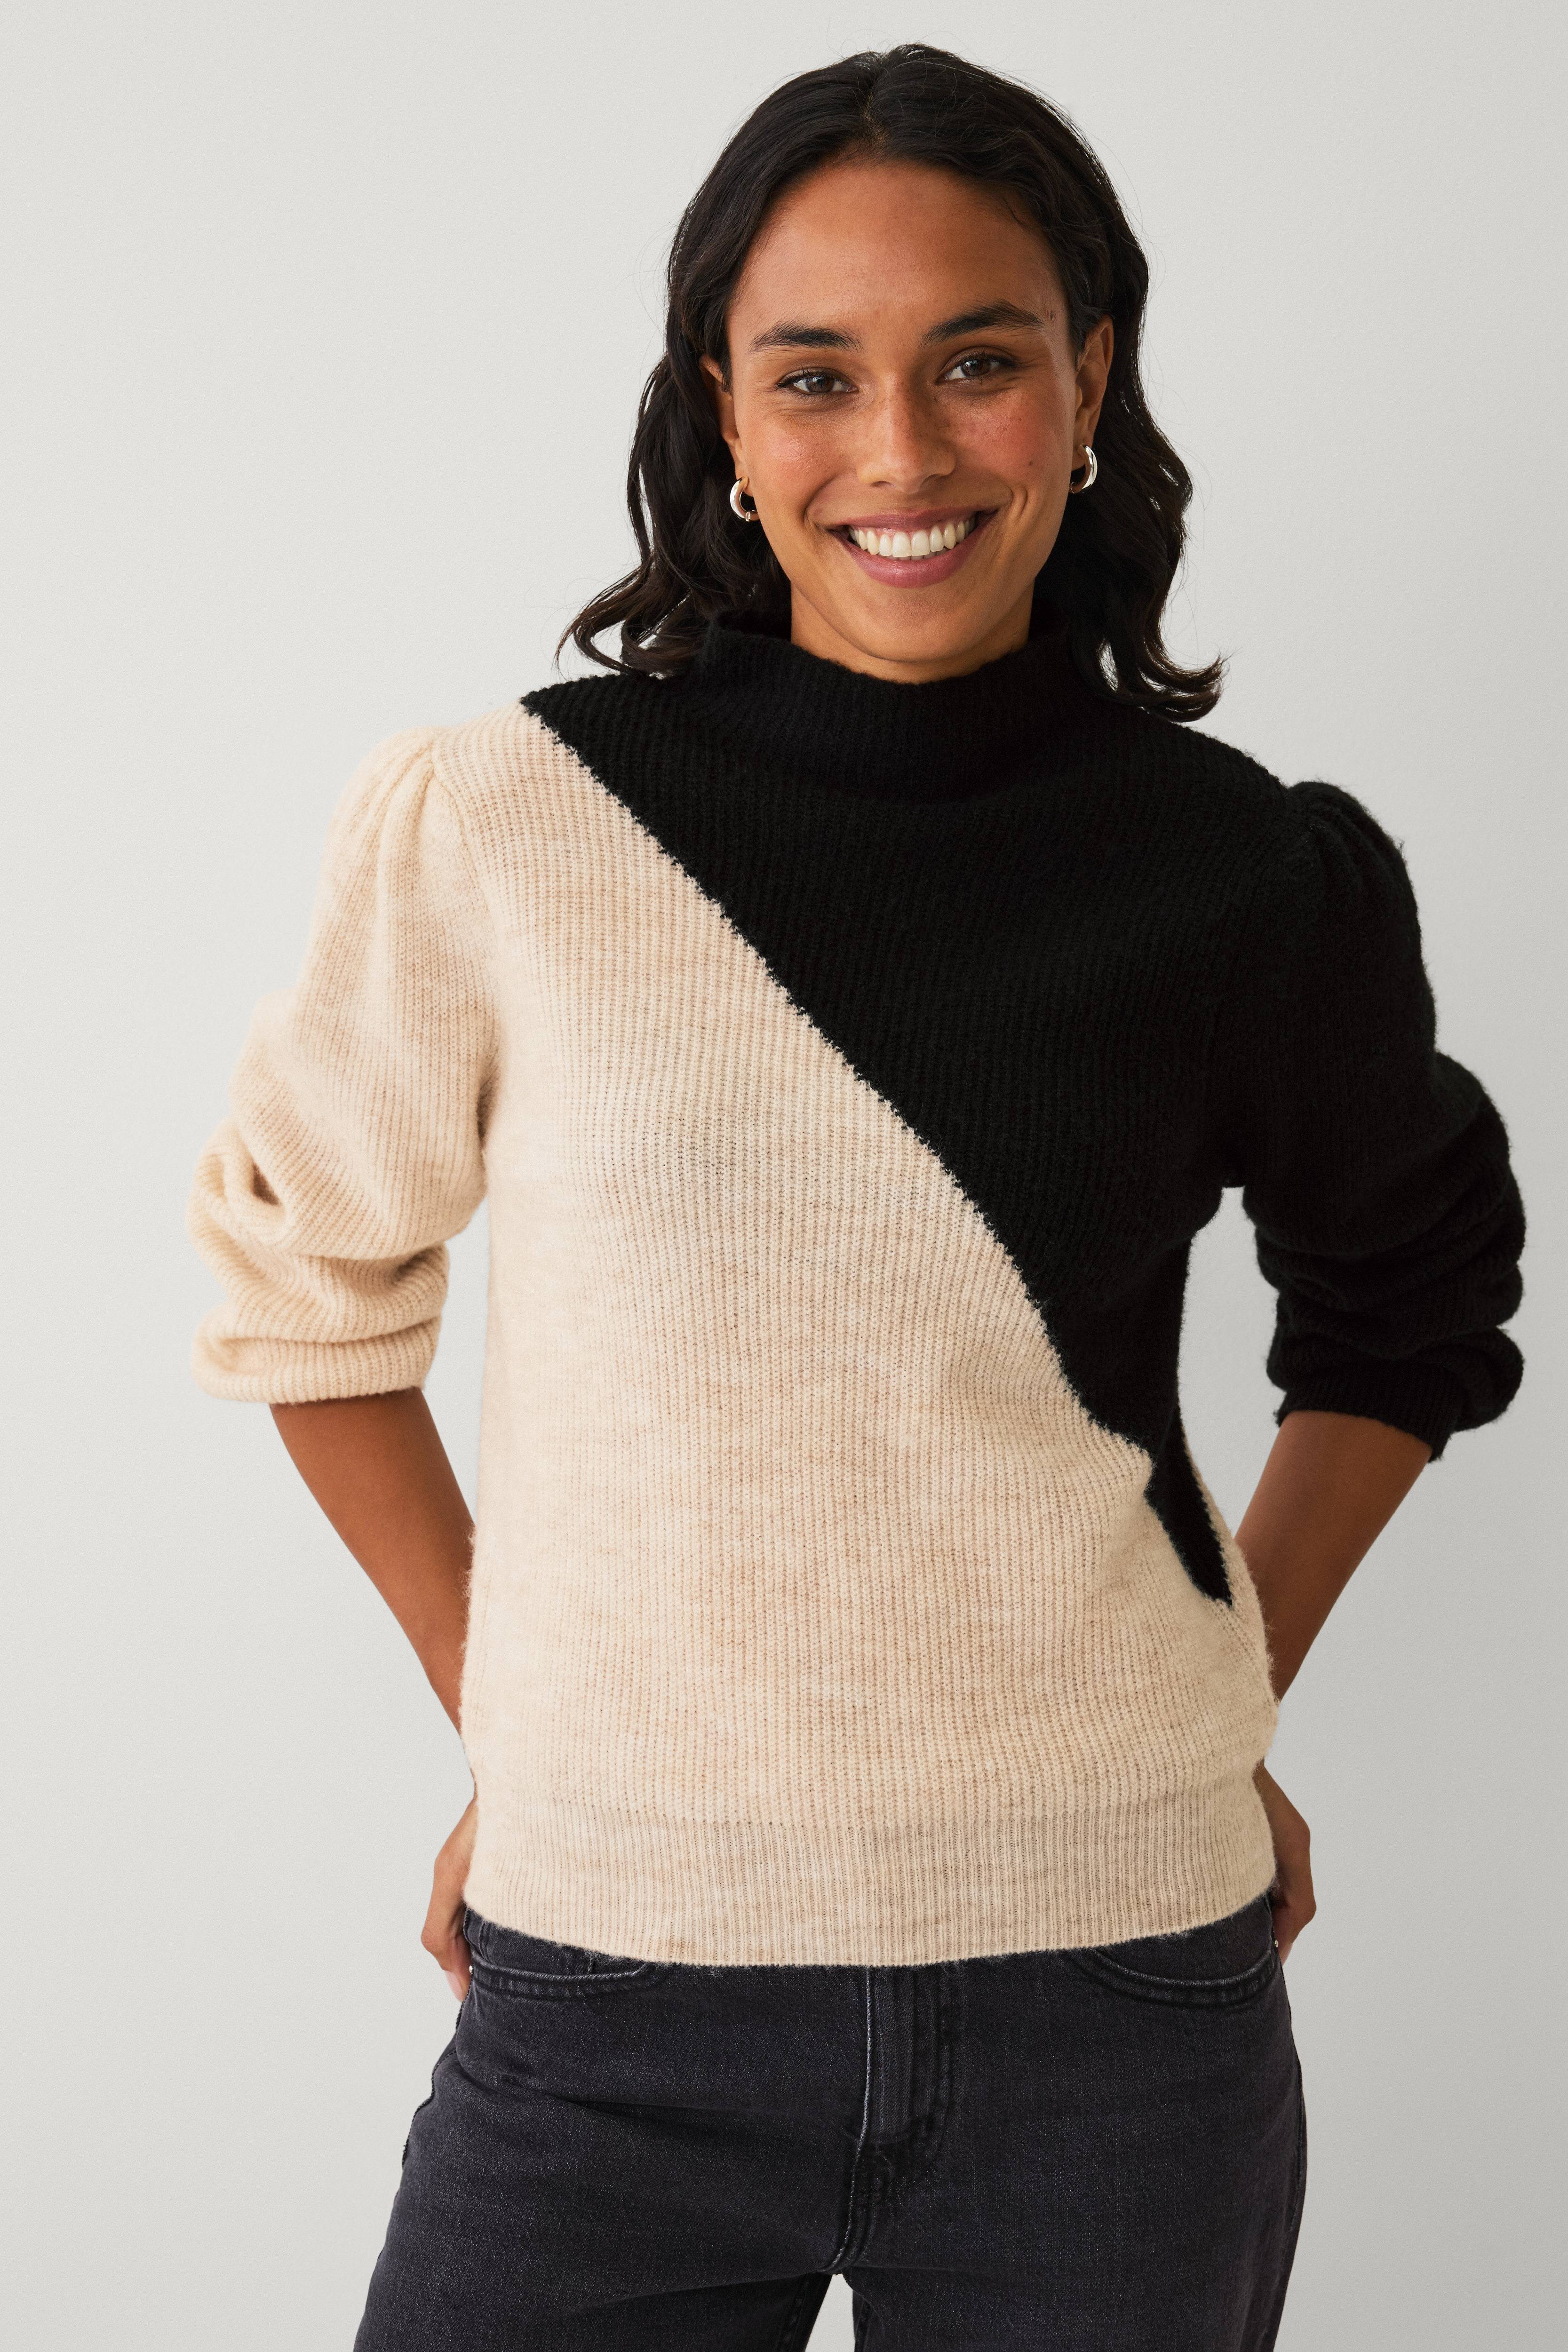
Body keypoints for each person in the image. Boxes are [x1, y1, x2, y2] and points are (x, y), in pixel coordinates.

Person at [187, 43, 1526, 2352]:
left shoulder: (1242, 870)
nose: (900, 452)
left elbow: (1407, 1305)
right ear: (724, 408)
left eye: (978, 363)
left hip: (1120, 2007)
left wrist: (1219, 1692)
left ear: (1089, 380)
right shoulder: (508, 824)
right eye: (815, 376)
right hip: (607, 1998)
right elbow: (304, 1287)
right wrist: (517, 1709)